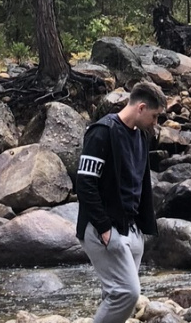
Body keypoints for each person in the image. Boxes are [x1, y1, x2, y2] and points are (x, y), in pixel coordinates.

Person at [75, 81, 166, 323]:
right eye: (155, 116)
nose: (155, 123)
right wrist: (103, 226)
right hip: (103, 229)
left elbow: (138, 183)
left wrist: (141, 229)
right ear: (141, 107)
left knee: (114, 294)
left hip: (131, 228)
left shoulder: (140, 137)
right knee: (127, 292)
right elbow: (84, 183)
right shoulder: (102, 132)